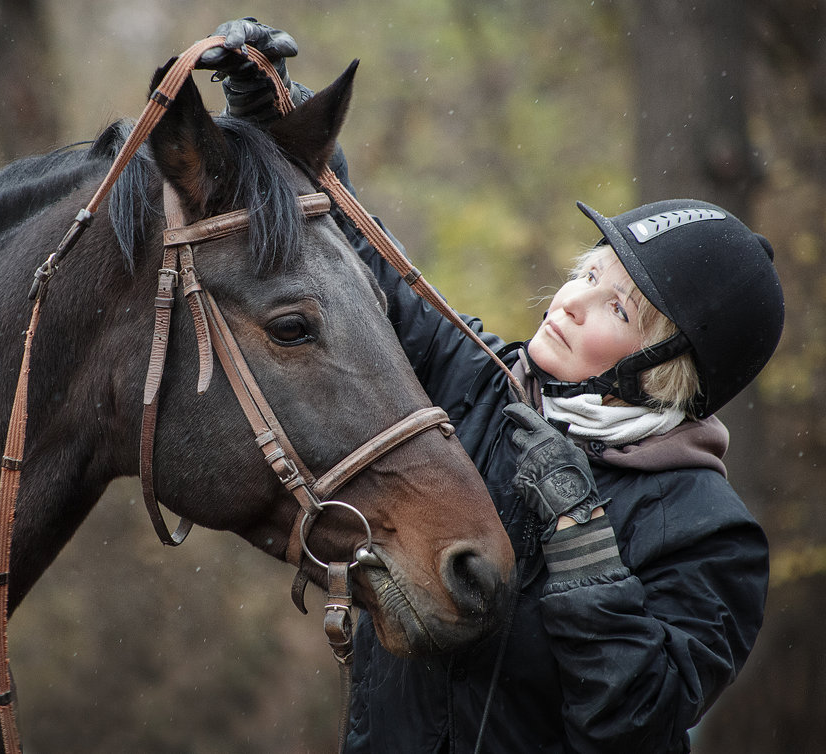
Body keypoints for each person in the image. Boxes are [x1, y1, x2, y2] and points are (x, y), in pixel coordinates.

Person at [198, 18, 784, 753]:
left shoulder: (710, 531)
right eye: (587, 272)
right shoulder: (473, 379)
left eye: (617, 307)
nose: (570, 299)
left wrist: (583, 545)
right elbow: (366, 266)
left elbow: (637, 724)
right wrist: (277, 117)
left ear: (669, 370)